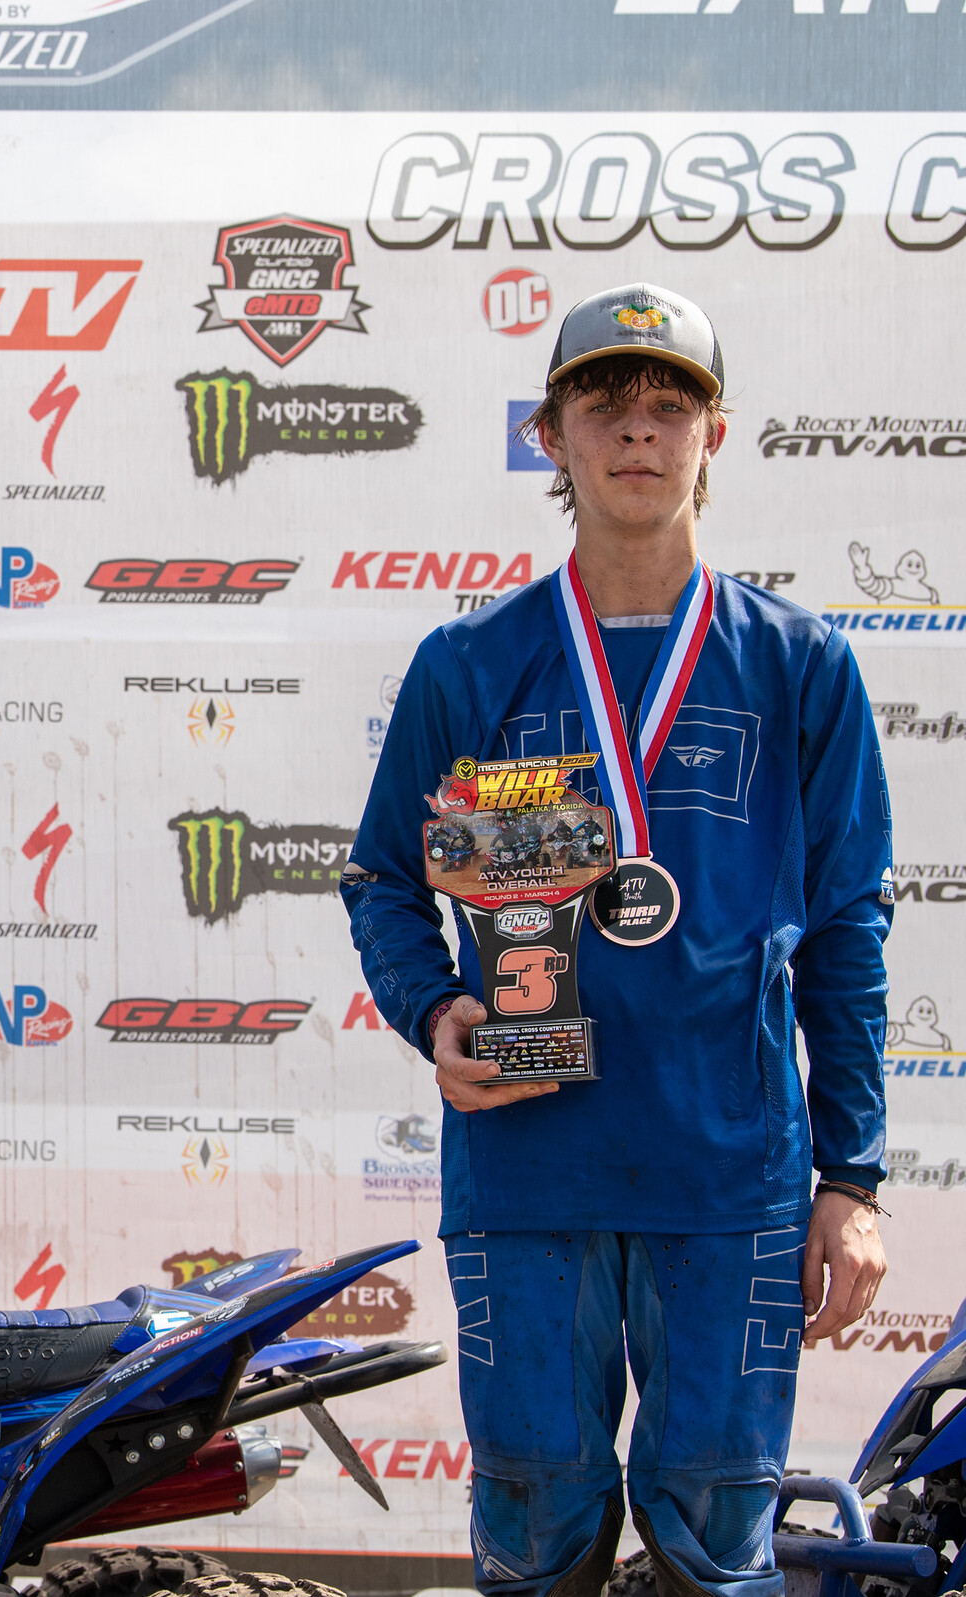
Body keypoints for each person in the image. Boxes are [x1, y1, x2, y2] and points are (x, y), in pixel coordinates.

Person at [344, 284, 891, 1597]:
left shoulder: (801, 664)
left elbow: (847, 929)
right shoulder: (471, 663)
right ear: (551, 434)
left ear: (717, 434)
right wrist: (438, 1015)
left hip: (732, 1178)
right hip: (531, 1159)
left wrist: (854, 1177)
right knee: (535, 1534)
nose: (637, 433)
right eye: (606, 404)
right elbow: (382, 880)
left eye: (670, 405)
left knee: (716, 1537)